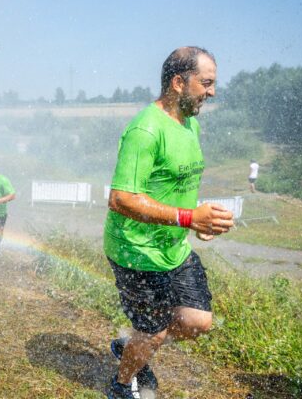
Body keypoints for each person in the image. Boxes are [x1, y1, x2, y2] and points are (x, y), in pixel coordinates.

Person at [103, 47, 235, 399]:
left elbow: (176, 185)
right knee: (155, 332)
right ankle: (120, 385)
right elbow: (120, 199)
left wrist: (198, 222)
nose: (212, 92)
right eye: (206, 83)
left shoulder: (190, 124)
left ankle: (133, 344)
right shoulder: (145, 130)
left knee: (198, 321)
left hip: (173, 248)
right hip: (136, 251)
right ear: (179, 82)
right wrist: (189, 218)